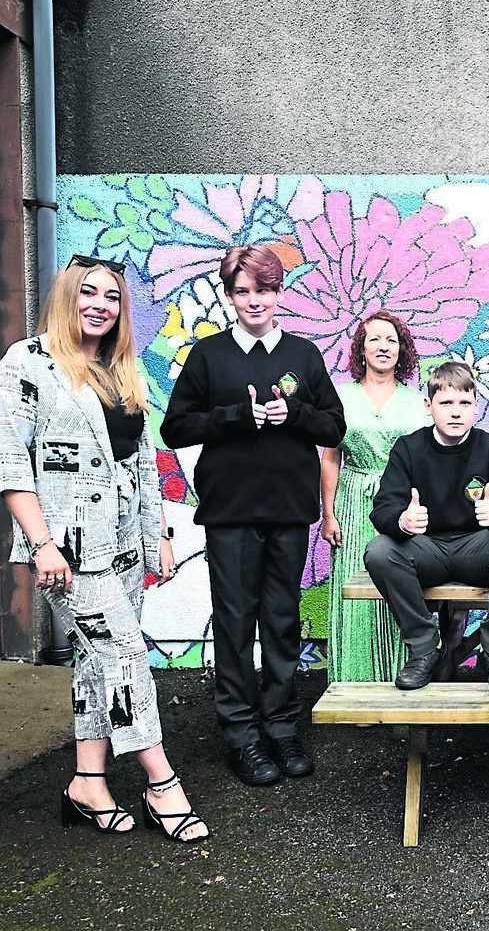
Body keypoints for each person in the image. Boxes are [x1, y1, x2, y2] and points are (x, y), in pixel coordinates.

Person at [0, 254, 206, 842]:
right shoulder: (29, 362)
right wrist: (40, 543)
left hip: (122, 544)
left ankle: (88, 781)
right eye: (88, 293)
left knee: (98, 664)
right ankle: (161, 782)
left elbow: (141, 461)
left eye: (112, 297)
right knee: (125, 655)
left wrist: (158, 535)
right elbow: (11, 461)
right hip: (67, 550)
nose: (100, 305)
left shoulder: (121, 367)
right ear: (67, 296)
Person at [161, 245, 345, 787]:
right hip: (231, 511)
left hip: (289, 508)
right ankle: (242, 735)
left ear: (279, 293)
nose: (254, 301)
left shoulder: (304, 356)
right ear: (229, 296)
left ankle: (282, 727)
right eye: (242, 291)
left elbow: (332, 427)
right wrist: (236, 416)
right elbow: (177, 428)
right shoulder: (208, 356)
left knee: (282, 622)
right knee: (237, 623)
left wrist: (296, 414)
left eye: (263, 290)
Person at [364, 361, 489, 690]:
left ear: (476, 407)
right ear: (429, 407)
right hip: (427, 551)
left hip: (476, 550)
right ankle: (425, 649)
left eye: (464, 403)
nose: (456, 413)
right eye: (446, 403)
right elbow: (383, 509)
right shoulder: (408, 449)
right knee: (380, 550)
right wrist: (402, 519)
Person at [320, 311, 428, 682]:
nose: (384, 346)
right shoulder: (340, 397)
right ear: (361, 349)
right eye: (375, 339)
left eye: (392, 340)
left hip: (402, 504)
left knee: (398, 586)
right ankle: (353, 683)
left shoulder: (418, 402)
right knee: (354, 590)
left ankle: (400, 680)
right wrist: (329, 515)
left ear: (403, 350)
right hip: (353, 502)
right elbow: (332, 457)